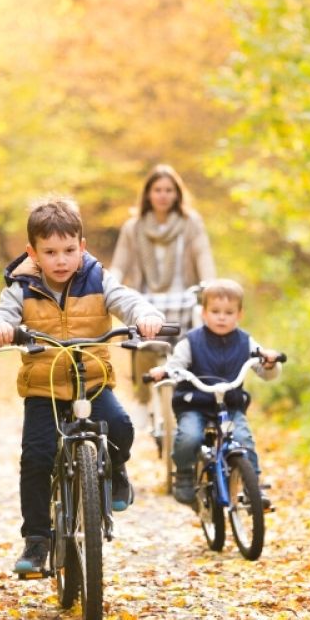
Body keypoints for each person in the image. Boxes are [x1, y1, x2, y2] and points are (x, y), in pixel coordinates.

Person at [0, 197, 164, 577]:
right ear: (33, 253)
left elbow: (124, 299)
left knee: (122, 426)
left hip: (91, 381)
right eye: (50, 252)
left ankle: (116, 471)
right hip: (43, 387)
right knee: (36, 457)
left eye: (68, 250)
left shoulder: (98, 278)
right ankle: (37, 539)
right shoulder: (22, 287)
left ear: (82, 247)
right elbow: (1, 315)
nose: (60, 260)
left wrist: (143, 314)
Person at [148, 279, 281, 509]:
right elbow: (176, 364)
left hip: (229, 406)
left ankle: (253, 486)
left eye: (229, 312)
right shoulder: (191, 341)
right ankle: (184, 474)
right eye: (215, 311)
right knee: (189, 436)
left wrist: (269, 362)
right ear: (204, 313)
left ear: (240, 314)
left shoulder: (245, 341)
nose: (222, 317)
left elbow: (263, 367)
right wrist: (165, 371)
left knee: (244, 439)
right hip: (195, 403)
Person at [110, 165, 217, 434]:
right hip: (147, 300)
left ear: (177, 194)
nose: (163, 195)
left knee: (192, 352)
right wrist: (109, 284)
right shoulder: (133, 228)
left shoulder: (190, 223)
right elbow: (119, 264)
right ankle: (143, 399)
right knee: (144, 347)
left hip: (183, 297)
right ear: (147, 194)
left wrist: (211, 287)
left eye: (169, 190)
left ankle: (193, 403)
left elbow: (203, 255)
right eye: (157, 190)